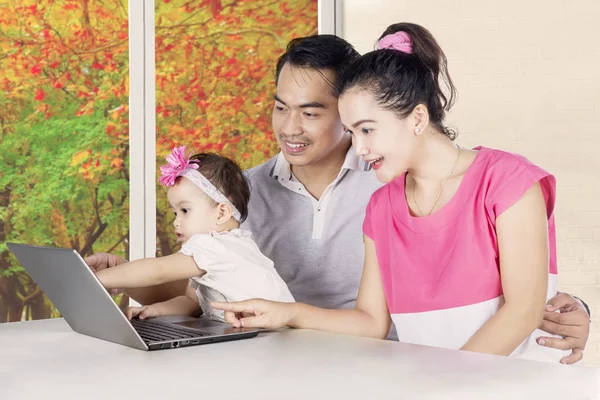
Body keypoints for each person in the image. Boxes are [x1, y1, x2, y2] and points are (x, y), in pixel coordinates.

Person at [86, 33, 590, 363]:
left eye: (311, 112)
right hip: (285, 363)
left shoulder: (397, 176)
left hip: (407, 370)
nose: (289, 128)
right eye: (280, 108)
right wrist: (132, 286)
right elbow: (206, 290)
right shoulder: (245, 192)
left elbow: (503, 288)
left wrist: (570, 307)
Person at [94, 147, 294, 321]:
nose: (176, 221)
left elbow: (158, 270)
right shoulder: (225, 249)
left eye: (185, 210)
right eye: (174, 212)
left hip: (274, 337)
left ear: (222, 213)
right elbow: (192, 302)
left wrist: (97, 279)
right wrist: (153, 310)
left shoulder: (213, 246)